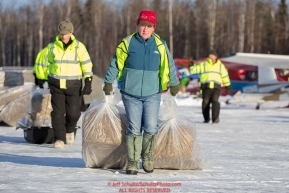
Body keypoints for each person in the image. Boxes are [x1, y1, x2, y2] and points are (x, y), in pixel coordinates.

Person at [102, 10, 179, 175]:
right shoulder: (127, 43)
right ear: (137, 25)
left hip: (153, 93)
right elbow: (116, 63)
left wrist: (174, 82)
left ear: (153, 28)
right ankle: (133, 161)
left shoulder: (160, 44)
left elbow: (169, 64)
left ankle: (148, 156)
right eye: (142, 25)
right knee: (134, 127)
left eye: (149, 26)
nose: (145, 29)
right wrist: (108, 81)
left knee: (151, 126)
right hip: (130, 93)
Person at [46, 20, 93, 148]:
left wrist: (88, 81)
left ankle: (70, 129)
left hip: (73, 85)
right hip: (56, 85)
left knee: (74, 113)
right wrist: (47, 79)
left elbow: (86, 64)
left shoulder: (79, 47)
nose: (63, 36)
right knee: (57, 113)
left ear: (71, 32)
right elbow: (48, 64)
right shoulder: (52, 47)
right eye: (62, 33)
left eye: (66, 33)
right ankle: (59, 139)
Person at [190, 49, 230, 124]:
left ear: (215, 56)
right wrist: (192, 65)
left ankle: (215, 119)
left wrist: (227, 85)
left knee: (215, 101)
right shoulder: (204, 64)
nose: (211, 57)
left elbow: (225, 76)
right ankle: (206, 118)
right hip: (206, 86)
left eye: (212, 55)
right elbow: (194, 70)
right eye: (210, 55)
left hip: (216, 87)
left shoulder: (220, 66)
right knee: (205, 102)